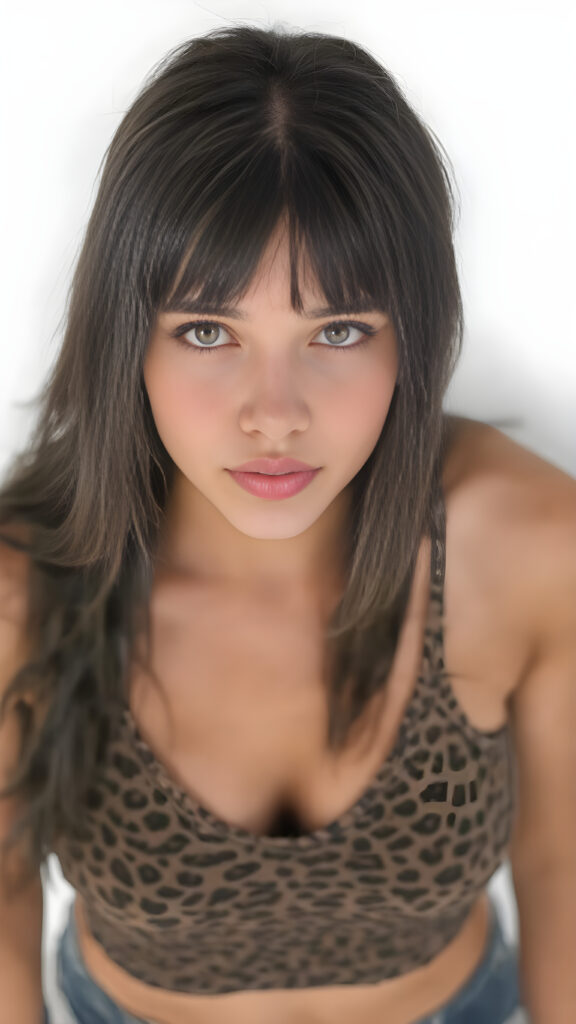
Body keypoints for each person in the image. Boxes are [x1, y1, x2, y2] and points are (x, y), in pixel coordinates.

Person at [0, 22, 573, 1024]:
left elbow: (565, 869)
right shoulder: (25, 592)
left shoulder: (524, 546)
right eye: (209, 330)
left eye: (339, 329)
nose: (274, 412)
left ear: (417, 336)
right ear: (125, 337)